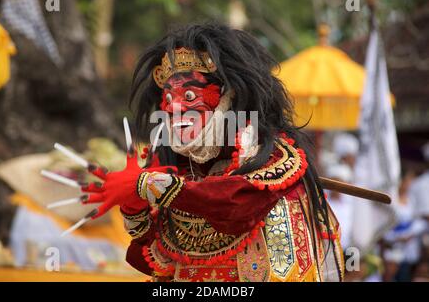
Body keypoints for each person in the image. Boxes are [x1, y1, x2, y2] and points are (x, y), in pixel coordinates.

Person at [79, 23, 344, 282]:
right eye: (168, 100)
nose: (175, 109)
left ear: (230, 96)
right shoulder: (180, 163)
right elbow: (155, 258)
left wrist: (150, 185)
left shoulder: (272, 158)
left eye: (191, 97)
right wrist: (134, 206)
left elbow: (235, 204)